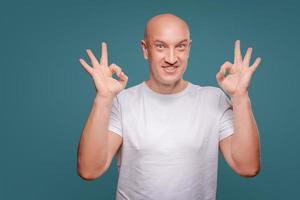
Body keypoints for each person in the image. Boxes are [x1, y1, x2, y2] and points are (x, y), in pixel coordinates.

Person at [77, 13, 261, 200]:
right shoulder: (122, 102)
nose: (171, 58)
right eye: (160, 46)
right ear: (145, 49)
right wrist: (103, 98)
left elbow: (247, 167)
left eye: (180, 46)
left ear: (188, 48)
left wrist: (240, 96)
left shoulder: (213, 99)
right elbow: (90, 170)